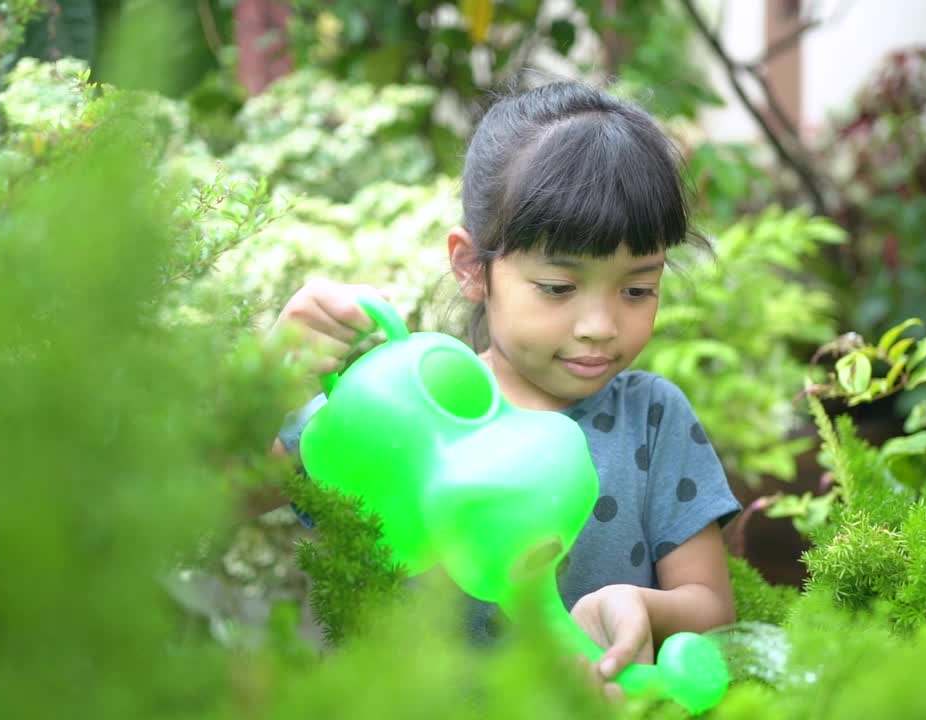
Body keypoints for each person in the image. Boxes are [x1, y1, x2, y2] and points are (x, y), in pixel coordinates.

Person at [265, 80, 740, 697]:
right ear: (471, 267)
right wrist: (267, 377)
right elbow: (207, 502)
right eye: (558, 287)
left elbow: (711, 607)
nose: (600, 326)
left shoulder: (651, 417)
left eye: (637, 289)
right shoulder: (400, 417)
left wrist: (641, 606)